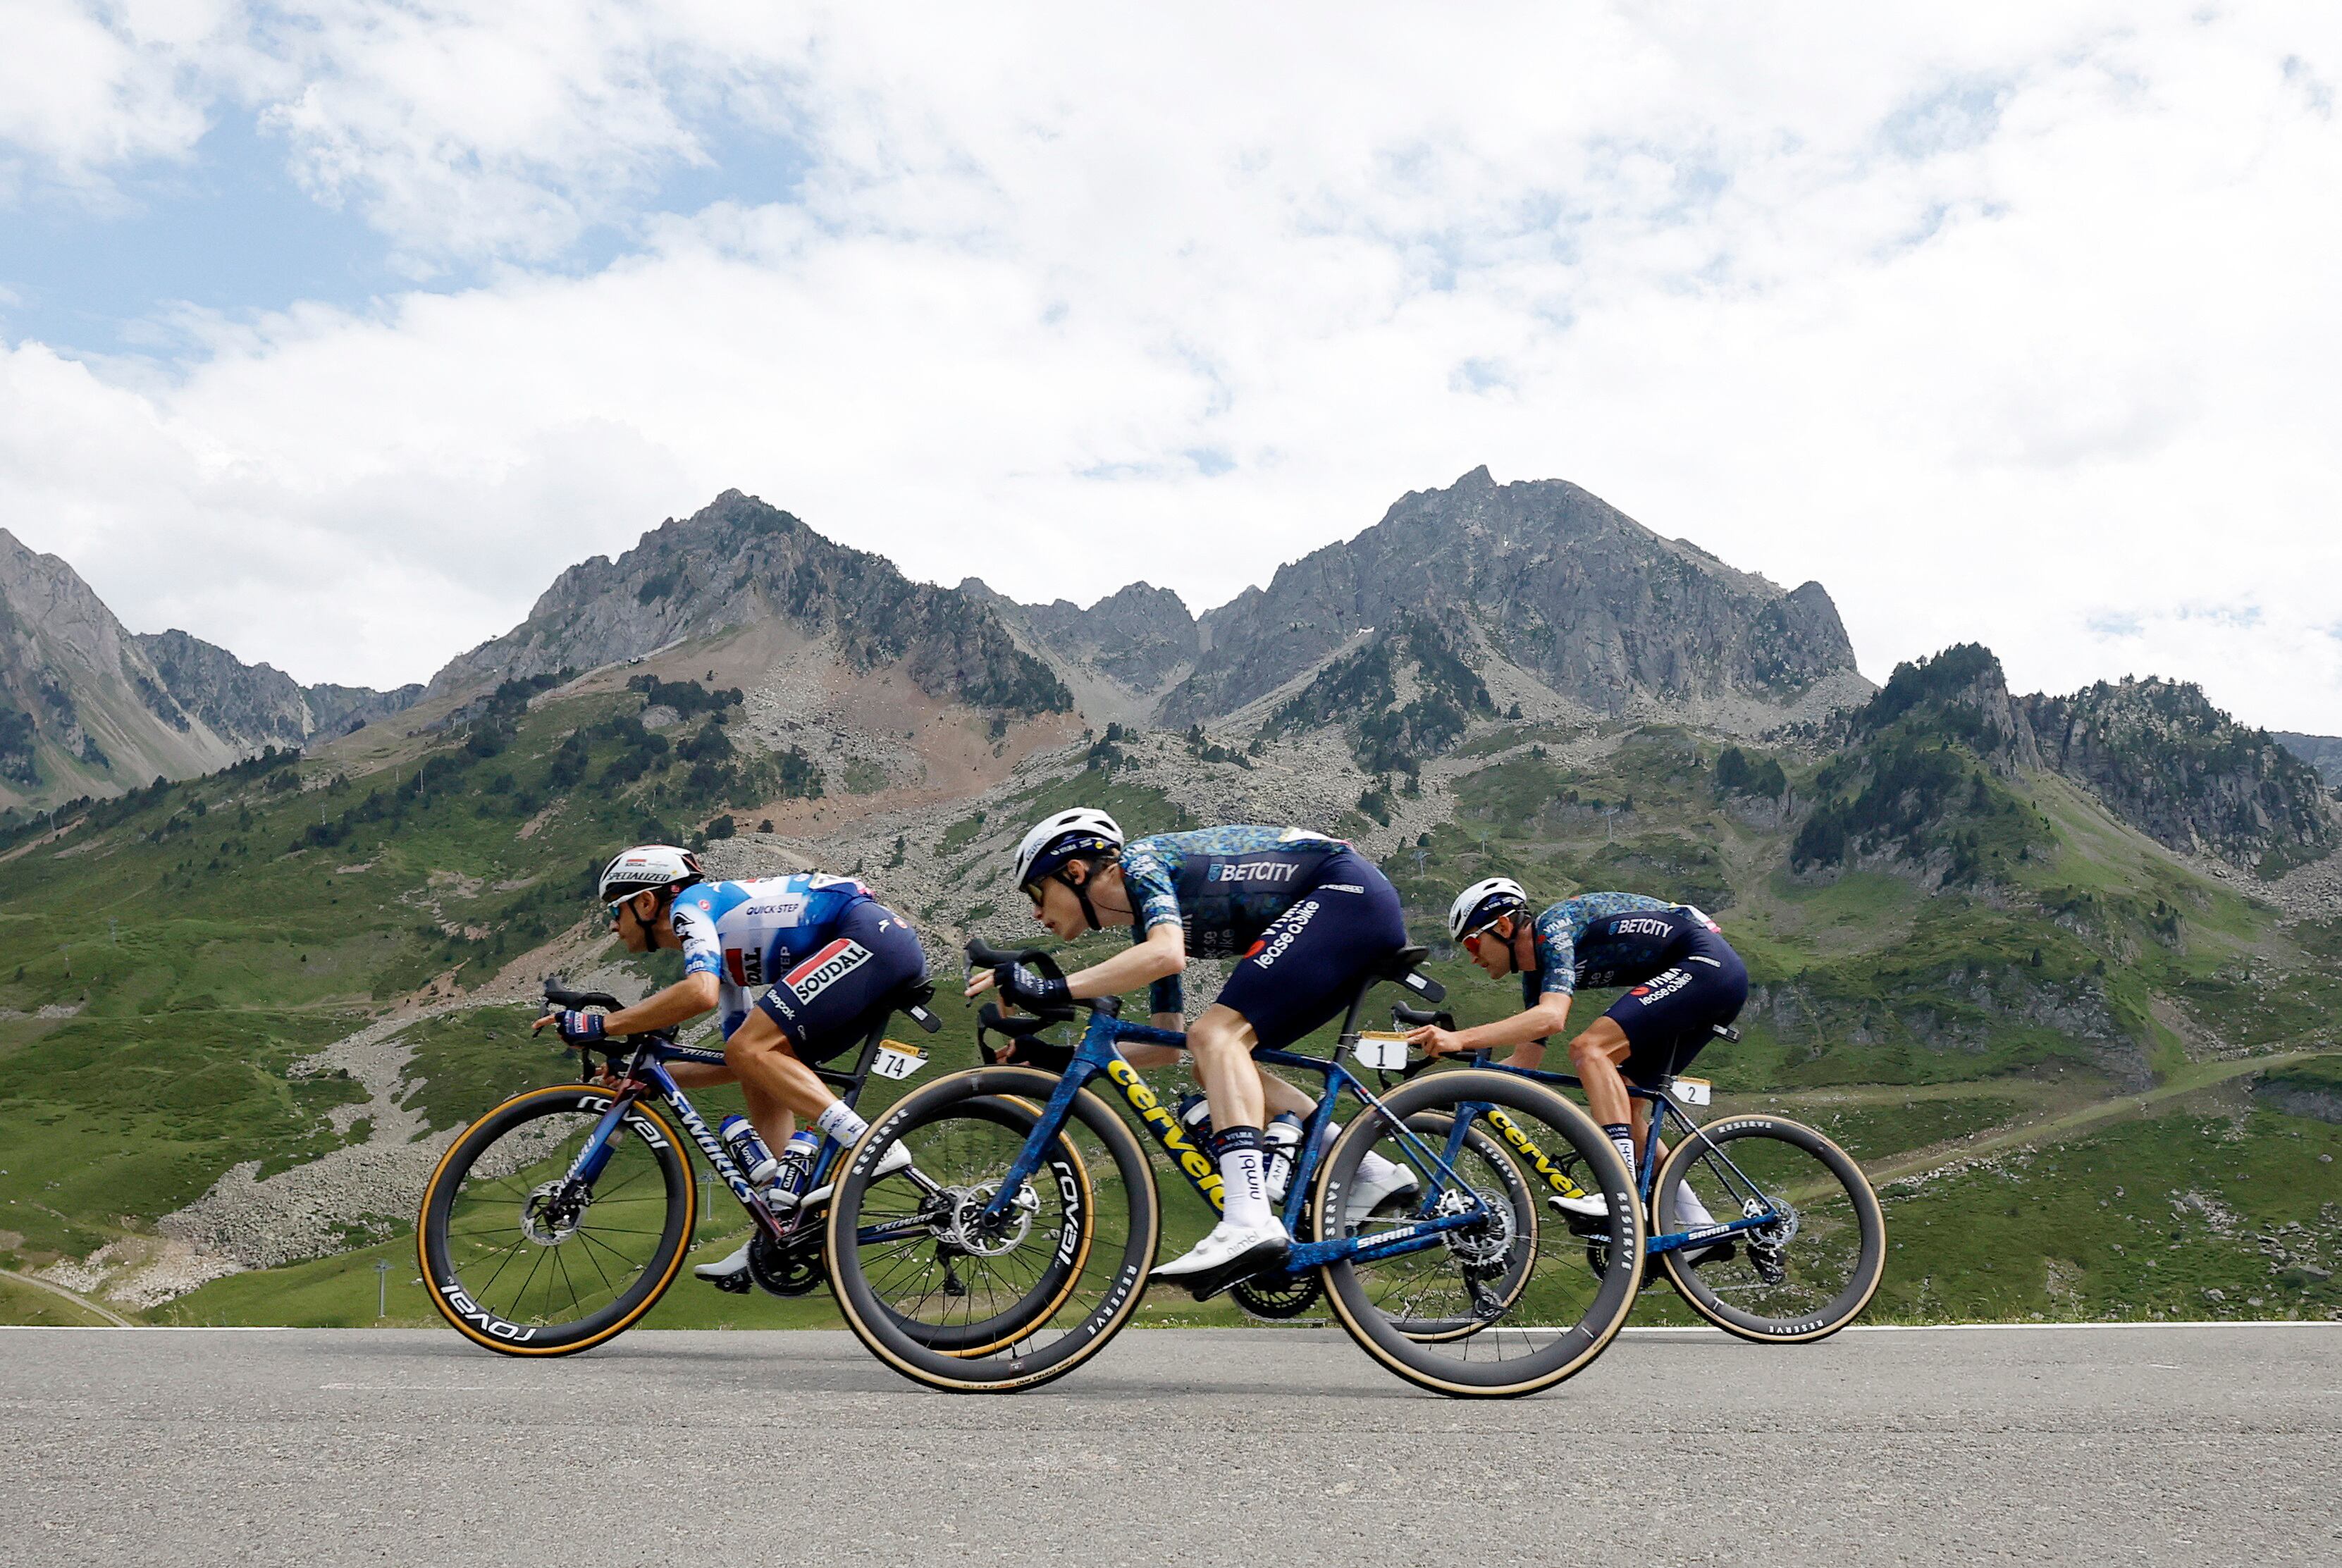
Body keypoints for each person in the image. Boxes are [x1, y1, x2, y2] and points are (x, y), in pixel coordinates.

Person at [966, 810, 1421, 1298]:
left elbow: (1167, 956)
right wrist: (1061, 1056)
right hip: (1348, 907)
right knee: (1214, 1056)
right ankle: (1370, 1170)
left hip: (1343, 894)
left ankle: (1248, 1216)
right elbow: (1166, 1039)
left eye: (1036, 892)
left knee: (1217, 1036)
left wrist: (1049, 988)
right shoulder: (1150, 916)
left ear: (1074, 872)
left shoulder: (1140, 864)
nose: (1036, 912)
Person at [535, 845, 923, 1291]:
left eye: (617, 909)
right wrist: (657, 1076)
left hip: (868, 937)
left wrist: (601, 1023)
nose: (613, 924)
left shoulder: (690, 909)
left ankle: (869, 1145)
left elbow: (699, 994)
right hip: (872, 947)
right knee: (758, 1058)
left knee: (752, 1050)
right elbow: (742, 1061)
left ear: (646, 903)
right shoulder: (725, 952)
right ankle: (780, 1226)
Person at [1403, 877, 1749, 1250]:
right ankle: (1701, 1230)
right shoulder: (1536, 974)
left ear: (1503, 926)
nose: (1472, 956)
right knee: (1628, 1104)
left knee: (1590, 1050)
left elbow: (1552, 1018)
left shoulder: (1554, 929)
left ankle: (1622, 1194)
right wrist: (1456, 1082)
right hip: (1699, 980)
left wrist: (1460, 1038)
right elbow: (1525, 1061)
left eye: (1472, 942)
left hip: (1706, 966)